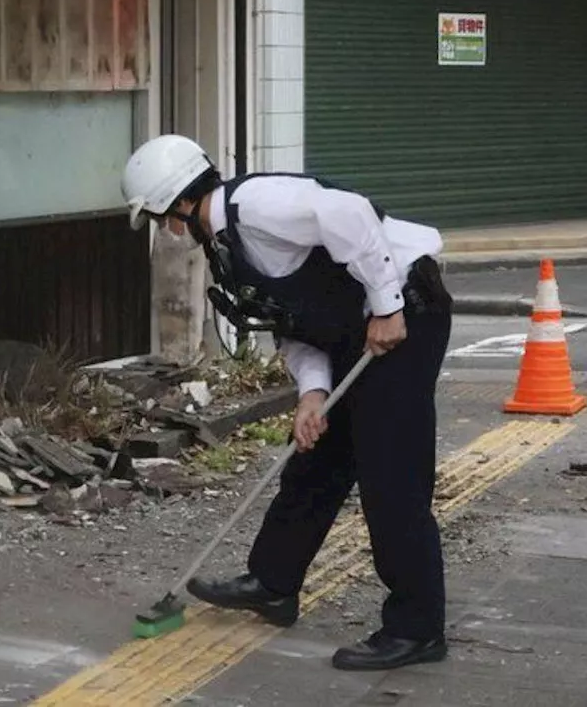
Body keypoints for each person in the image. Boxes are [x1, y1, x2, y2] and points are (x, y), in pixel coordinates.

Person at [120, 135, 454, 671]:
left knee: (391, 474)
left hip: (407, 315)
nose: (168, 230)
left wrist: (388, 306)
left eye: (163, 218)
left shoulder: (256, 206)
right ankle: (274, 583)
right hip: (352, 330)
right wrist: (312, 395)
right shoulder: (229, 246)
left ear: (181, 202)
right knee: (317, 457)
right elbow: (295, 323)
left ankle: (417, 629)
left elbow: (350, 213)